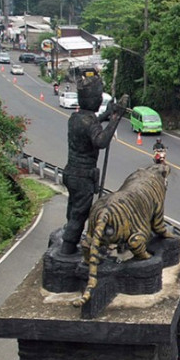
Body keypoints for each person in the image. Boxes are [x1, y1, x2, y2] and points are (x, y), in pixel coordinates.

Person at [59, 73, 129, 255]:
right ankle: (67, 248)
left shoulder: (75, 118)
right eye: (99, 98)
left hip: (71, 173)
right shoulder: (89, 123)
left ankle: (70, 239)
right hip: (83, 176)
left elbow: (92, 124)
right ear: (92, 100)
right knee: (80, 213)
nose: (100, 100)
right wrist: (115, 118)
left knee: (73, 209)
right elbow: (101, 141)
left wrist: (108, 112)